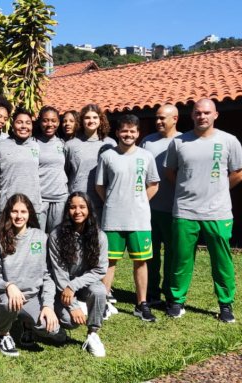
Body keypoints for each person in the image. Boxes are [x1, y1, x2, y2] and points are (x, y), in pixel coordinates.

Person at [164, 98, 242, 323]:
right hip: (185, 210)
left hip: (217, 212)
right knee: (181, 260)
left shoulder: (229, 141)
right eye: (198, 113)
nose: (202, 116)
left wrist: (218, 189)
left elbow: (239, 173)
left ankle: (226, 304)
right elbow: (171, 173)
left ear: (215, 115)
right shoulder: (179, 143)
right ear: (191, 116)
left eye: (207, 113)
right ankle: (177, 301)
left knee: (222, 261)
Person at [96, 114, 160, 322]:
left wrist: (139, 201)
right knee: (109, 262)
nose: (128, 134)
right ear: (117, 133)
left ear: (138, 133)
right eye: (124, 131)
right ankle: (104, 301)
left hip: (139, 220)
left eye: (132, 131)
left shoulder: (146, 156)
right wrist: (114, 201)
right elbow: (100, 186)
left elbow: (153, 184)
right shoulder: (107, 156)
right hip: (113, 218)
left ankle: (141, 304)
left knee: (141, 262)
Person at [0, 193, 64, 357]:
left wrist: (48, 305)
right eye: (14, 211)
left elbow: (48, 275)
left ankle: (28, 325)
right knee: (8, 303)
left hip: (31, 297)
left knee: (51, 329)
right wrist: (8, 285)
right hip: (3, 297)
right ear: (8, 213)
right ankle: (3, 334)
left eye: (23, 212)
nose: (19, 216)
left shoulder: (40, 237)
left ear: (29, 214)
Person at [48, 192, 108, 357]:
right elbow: (58, 272)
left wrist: (73, 286)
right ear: (67, 210)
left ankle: (93, 334)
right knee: (70, 321)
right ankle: (62, 320)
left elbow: (100, 269)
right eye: (73, 207)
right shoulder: (56, 236)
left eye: (82, 207)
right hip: (61, 286)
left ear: (89, 209)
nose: (77, 211)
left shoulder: (99, 236)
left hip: (81, 285)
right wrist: (72, 306)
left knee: (100, 291)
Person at [140, 104, 182, 305]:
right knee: (151, 255)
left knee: (173, 255)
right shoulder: (147, 141)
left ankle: (171, 294)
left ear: (175, 118)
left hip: (174, 210)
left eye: (162, 118)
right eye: (156, 118)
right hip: (148, 209)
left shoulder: (184, 140)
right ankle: (151, 293)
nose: (158, 121)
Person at [65, 103, 116, 215]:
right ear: (81, 121)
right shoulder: (71, 145)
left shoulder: (111, 144)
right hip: (78, 200)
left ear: (101, 120)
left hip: (102, 199)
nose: (91, 120)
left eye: (95, 117)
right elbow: (65, 172)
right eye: (87, 117)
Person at [0, 107, 42, 214]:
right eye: (19, 122)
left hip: (32, 205)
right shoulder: (0, 146)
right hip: (8, 206)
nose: (24, 126)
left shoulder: (36, 146)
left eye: (28, 123)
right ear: (13, 125)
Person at [34, 106, 68, 232]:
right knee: (38, 237)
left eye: (53, 120)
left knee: (57, 237)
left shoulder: (63, 144)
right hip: (39, 198)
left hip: (59, 198)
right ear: (39, 122)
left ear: (58, 122)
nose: (49, 124)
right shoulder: (33, 143)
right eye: (45, 120)